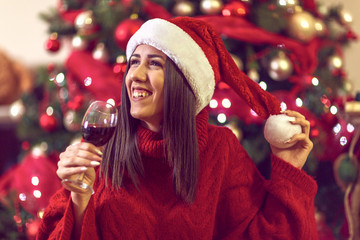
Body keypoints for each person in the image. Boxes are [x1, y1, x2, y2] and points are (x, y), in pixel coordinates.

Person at [37, 17, 318, 240]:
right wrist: (79, 198)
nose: (136, 75)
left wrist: (288, 167)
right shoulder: (105, 142)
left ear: (184, 82)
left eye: (155, 64)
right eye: (134, 62)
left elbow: (261, 234)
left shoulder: (220, 149)